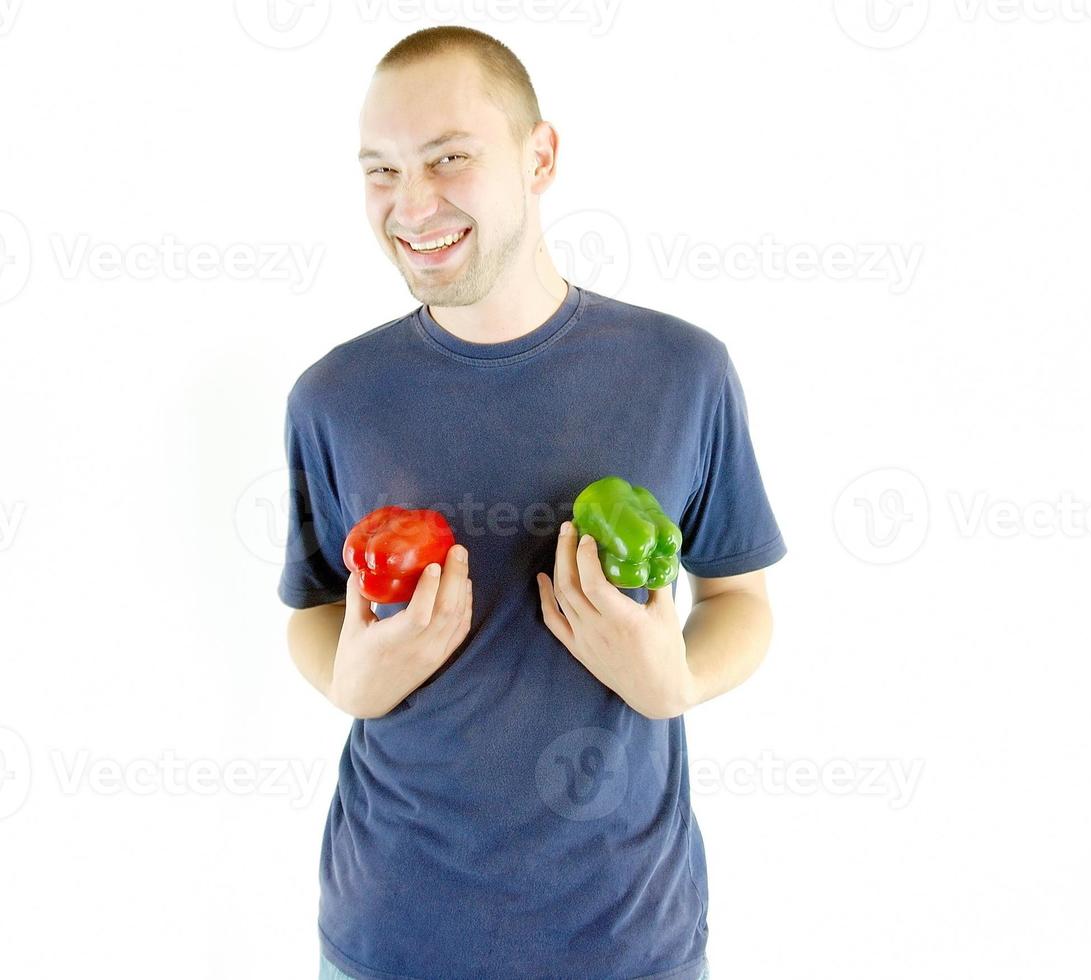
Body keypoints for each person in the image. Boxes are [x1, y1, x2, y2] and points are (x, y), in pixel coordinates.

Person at [281, 25, 785, 980]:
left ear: (539, 156)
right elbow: (313, 608)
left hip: (626, 942)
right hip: (390, 939)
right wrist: (349, 684)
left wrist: (673, 681)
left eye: (449, 158)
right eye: (380, 170)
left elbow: (740, 601)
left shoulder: (682, 372)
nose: (411, 203)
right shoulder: (333, 396)